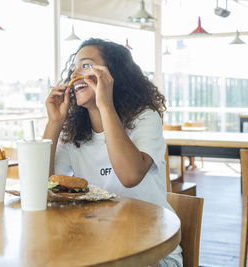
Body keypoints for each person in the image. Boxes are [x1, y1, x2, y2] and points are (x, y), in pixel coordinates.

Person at [43, 38, 182, 267]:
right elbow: (42, 187)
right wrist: (54, 123)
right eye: (73, 69)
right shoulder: (75, 134)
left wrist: (105, 105)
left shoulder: (145, 118)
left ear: (113, 75)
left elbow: (130, 176)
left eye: (86, 66)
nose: (75, 75)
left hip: (152, 250)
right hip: (96, 244)